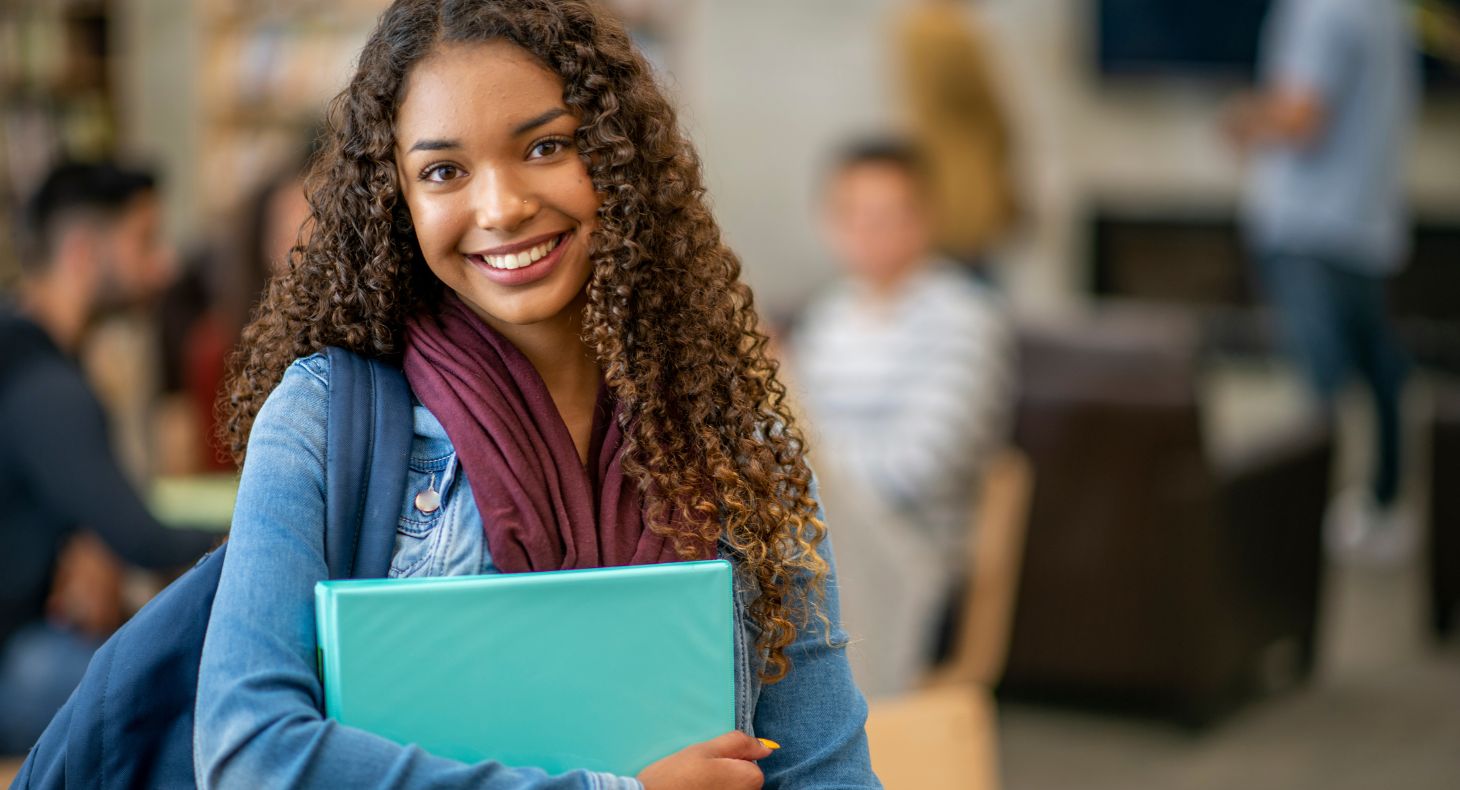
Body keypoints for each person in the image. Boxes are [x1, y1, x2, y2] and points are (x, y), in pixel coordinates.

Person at [194, 2, 880, 789]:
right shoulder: (324, 420)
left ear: (617, 158)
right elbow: (250, 755)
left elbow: (824, 771)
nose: (502, 207)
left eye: (545, 146)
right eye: (444, 171)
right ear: (398, 201)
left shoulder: (734, 435)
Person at [0, 161, 216, 752]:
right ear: (81, 251)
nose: (164, 265)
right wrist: (268, 525)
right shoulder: (44, 384)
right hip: (14, 662)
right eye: (143, 240)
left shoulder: (23, 354)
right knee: (196, 694)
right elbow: (140, 538)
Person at [786, 140, 1014, 696]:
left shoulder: (963, 317)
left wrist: (815, 480)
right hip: (819, 530)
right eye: (853, 215)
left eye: (887, 216)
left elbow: (922, 466)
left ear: (925, 219)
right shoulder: (827, 317)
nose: (869, 231)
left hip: (909, 547)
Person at [1225, 0, 1419, 561]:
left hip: (1309, 224)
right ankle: (1382, 504)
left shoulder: (1322, 10)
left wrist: (1242, 119)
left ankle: (1310, 524)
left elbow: (1302, 116)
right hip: (1366, 221)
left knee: (1321, 387)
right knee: (1379, 370)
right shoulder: (1387, 12)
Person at [893, 0, 1020, 270]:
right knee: (966, 288)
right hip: (964, 186)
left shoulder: (913, 26)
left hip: (941, 178)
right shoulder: (948, 33)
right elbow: (987, 113)